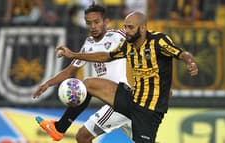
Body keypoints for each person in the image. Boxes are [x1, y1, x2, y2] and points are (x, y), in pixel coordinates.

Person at [55, 11, 198, 143]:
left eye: (130, 27)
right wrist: (73, 54)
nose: (126, 31)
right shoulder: (128, 45)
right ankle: (60, 126)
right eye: (125, 27)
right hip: (131, 99)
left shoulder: (158, 41)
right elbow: (106, 56)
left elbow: (180, 53)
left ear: (142, 28)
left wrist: (189, 62)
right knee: (88, 85)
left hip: (149, 111)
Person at [33, 3, 132, 143]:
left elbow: (145, 44)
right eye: (89, 23)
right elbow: (69, 71)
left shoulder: (118, 36)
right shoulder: (89, 44)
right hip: (112, 101)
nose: (93, 26)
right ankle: (59, 128)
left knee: (88, 84)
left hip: (124, 98)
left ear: (107, 22)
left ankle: (60, 127)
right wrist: (47, 84)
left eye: (97, 22)